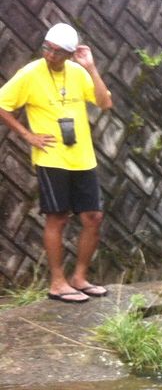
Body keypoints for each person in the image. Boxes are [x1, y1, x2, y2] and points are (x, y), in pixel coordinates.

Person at [0, 23, 113, 303]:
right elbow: (2, 104)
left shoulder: (77, 72)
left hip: (82, 156)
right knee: (58, 217)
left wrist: (91, 68)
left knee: (93, 217)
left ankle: (80, 278)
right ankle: (57, 283)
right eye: (47, 48)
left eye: (58, 51)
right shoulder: (30, 73)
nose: (50, 55)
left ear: (70, 53)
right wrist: (28, 135)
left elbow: (105, 102)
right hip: (52, 157)